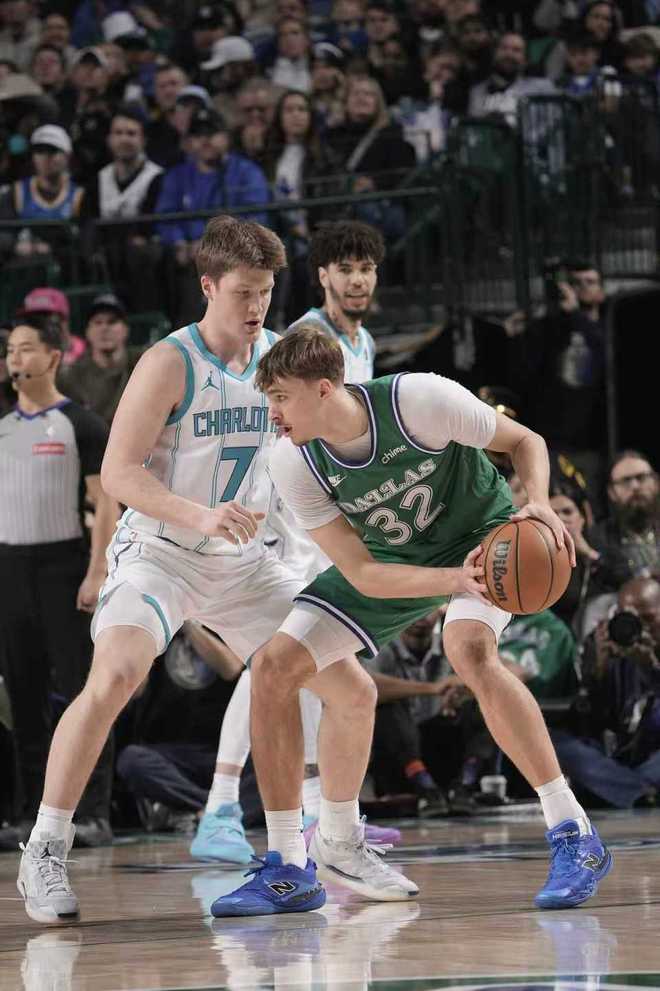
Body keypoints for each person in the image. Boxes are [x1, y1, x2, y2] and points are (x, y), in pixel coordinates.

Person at [17, 216, 416, 927]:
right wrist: (197, 515)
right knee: (114, 676)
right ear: (208, 286)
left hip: (245, 562)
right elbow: (118, 473)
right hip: (161, 552)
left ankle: (338, 842)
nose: (256, 305)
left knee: (351, 688)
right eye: (243, 292)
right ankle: (45, 846)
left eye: (265, 291)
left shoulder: (279, 359)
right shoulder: (170, 361)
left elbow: (323, 450)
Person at [209, 325, 612, 917]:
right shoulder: (292, 460)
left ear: (324, 389)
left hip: (483, 542)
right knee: (274, 665)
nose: (273, 414)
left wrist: (538, 501)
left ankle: (573, 831)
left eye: (281, 398)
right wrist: (448, 581)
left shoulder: (418, 399)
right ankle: (295, 862)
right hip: (394, 564)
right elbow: (362, 572)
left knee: (468, 648)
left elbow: (526, 440)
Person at [189, 219, 397, 866]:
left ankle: (313, 809)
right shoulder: (303, 339)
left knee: (309, 662)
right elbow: (277, 428)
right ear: (323, 276)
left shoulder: (361, 341)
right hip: (284, 512)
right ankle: (222, 805)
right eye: (346, 267)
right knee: (279, 659)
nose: (357, 278)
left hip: (320, 511)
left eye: (367, 267)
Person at [0, 314, 118, 849]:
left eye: (26, 348)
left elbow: (107, 502)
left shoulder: (80, 423)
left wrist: (98, 569)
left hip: (63, 567)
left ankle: (93, 813)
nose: (15, 358)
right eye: (10, 349)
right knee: (23, 696)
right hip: (11, 570)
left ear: (53, 357)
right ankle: (28, 813)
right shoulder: (4, 427)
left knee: (82, 692)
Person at [553, 575, 660, 809]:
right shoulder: (609, 646)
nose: (638, 628)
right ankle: (639, 791)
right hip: (620, 758)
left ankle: (618, 789)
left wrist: (651, 668)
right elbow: (592, 724)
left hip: (653, 756)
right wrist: (598, 672)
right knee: (551, 741)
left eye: (648, 618)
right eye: (628, 618)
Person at [59, 293, 143, 425]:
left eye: (112, 322)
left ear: (125, 330)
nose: (104, 328)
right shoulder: (72, 377)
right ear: (88, 332)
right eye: (98, 322)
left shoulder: (143, 364)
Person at [590, 450, 659, 592]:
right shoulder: (596, 539)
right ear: (612, 492)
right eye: (625, 481)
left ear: (656, 483)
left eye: (641, 478)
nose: (635, 486)